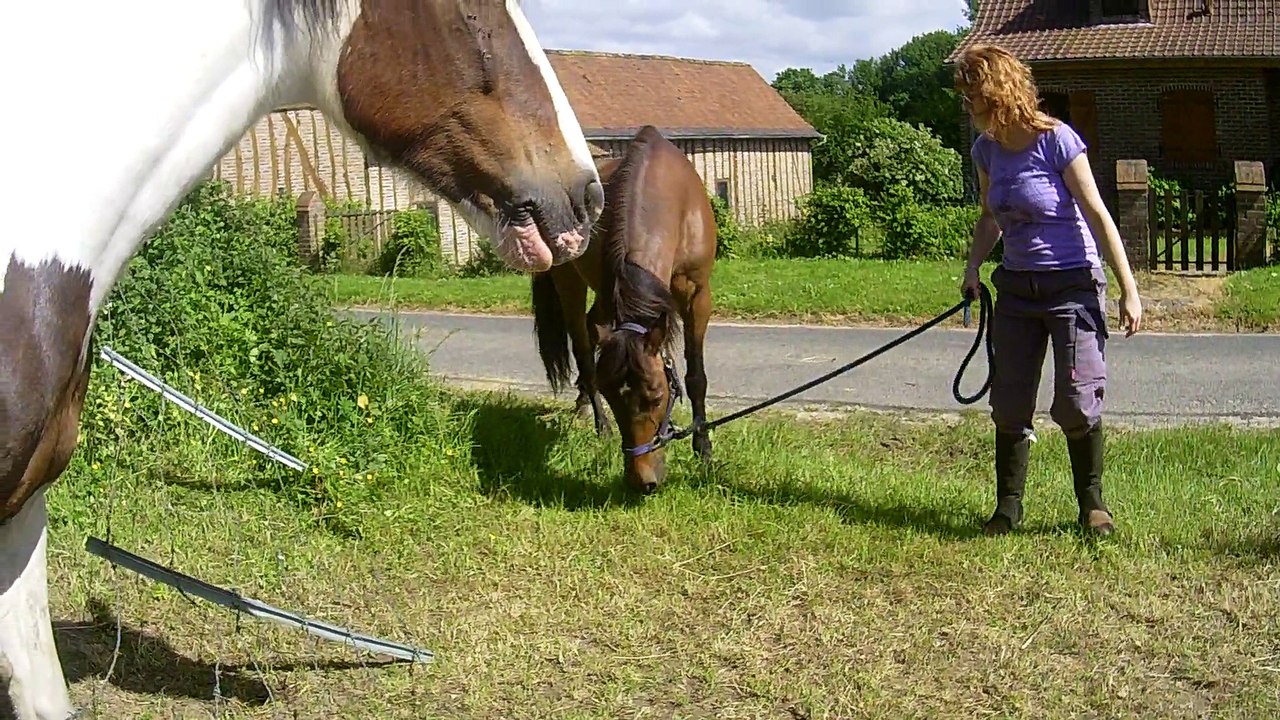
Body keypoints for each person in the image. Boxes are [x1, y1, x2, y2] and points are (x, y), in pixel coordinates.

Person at [953, 43, 1143, 538]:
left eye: (973, 94)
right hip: (1016, 288)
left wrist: (1128, 288)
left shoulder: (1056, 140)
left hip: (1073, 284)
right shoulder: (985, 150)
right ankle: (1007, 510)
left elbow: (1099, 215)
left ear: (999, 91)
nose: (967, 104)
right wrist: (973, 267)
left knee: (1077, 400)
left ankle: (1093, 506)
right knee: (1010, 402)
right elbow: (990, 216)